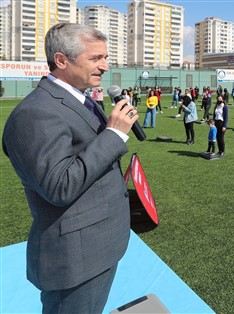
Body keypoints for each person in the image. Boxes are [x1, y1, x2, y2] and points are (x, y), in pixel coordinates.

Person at [2, 23, 137, 313]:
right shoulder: (35, 113)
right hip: (76, 257)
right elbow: (59, 186)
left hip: (99, 244)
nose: (105, 65)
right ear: (62, 60)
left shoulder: (82, 99)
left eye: (106, 57)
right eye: (95, 58)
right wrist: (113, 135)